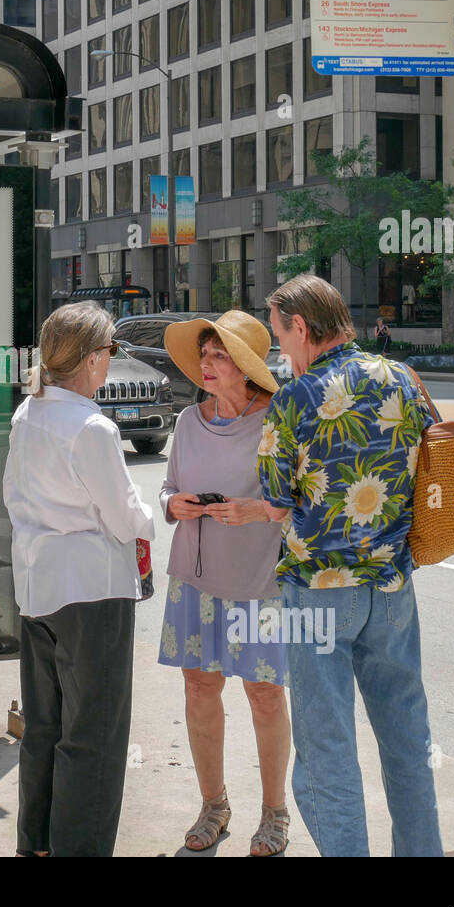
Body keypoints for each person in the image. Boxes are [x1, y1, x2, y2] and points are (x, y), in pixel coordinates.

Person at [260, 274, 442, 856]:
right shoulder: (404, 380)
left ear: (303, 328)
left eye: (280, 337)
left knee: (327, 750)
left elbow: (273, 499)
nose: (280, 351)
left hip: (316, 594)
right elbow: (435, 453)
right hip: (390, 587)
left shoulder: (293, 399)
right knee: (407, 739)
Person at [2, 302, 154, 857]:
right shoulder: (91, 426)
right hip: (94, 592)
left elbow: (13, 497)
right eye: (110, 351)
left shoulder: (28, 414)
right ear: (92, 360)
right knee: (95, 737)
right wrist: (151, 515)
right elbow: (124, 517)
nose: (111, 362)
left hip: (38, 586)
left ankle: (36, 843)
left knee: (45, 725)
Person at [157, 310, 291, 856]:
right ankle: (214, 804)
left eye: (220, 356)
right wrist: (174, 505)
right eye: (205, 355)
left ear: (246, 368)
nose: (208, 365)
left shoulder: (277, 422)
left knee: (264, 694)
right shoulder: (190, 422)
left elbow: (301, 503)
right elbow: (166, 489)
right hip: (194, 578)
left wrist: (255, 509)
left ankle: (275, 812)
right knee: (198, 688)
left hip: (259, 582)